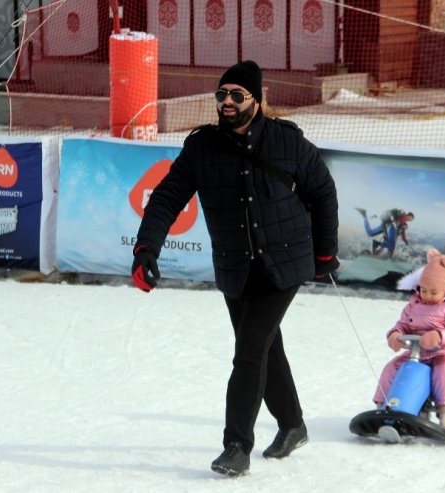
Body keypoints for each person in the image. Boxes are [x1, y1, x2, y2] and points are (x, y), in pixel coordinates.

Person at [130, 60, 339, 477]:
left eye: (237, 95)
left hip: (284, 261)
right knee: (264, 346)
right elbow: (168, 197)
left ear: (256, 101)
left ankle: (236, 446)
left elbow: (322, 191)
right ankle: (294, 424)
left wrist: (325, 253)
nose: (227, 102)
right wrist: (146, 248)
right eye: (221, 95)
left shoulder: (288, 143)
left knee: (249, 351)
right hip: (235, 267)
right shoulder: (202, 148)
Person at [373, 248, 445, 430]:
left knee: (444, 372)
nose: (427, 295)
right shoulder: (413, 305)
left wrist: (439, 335)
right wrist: (395, 334)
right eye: (424, 290)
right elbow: (402, 324)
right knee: (393, 368)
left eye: (433, 292)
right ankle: (383, 408)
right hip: (417, 353)